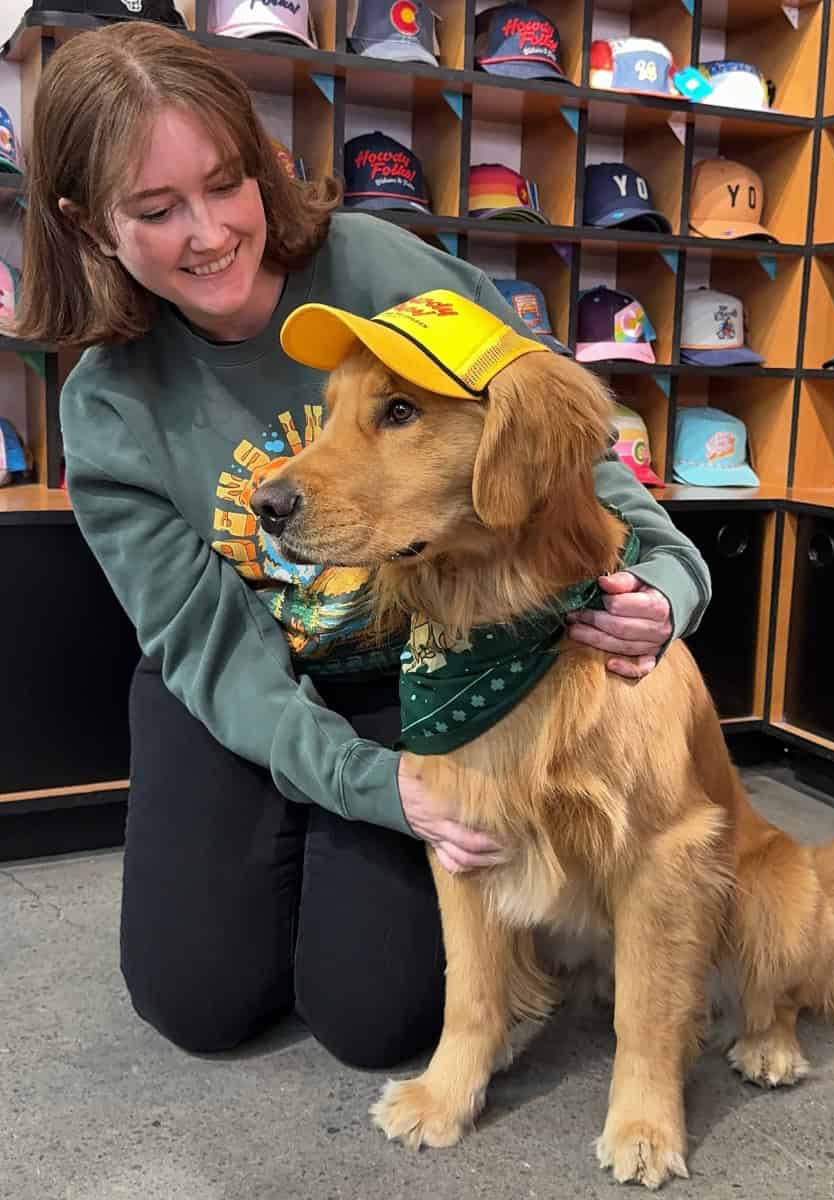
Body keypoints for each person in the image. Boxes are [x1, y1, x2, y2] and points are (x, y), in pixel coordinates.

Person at [13, 21, 711, 1070]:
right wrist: (375, 790)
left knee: (376, 1021)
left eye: (226, 183)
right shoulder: (108, 410)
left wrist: (666, 575)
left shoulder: (376, 265)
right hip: (239, 688)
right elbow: (208, 652)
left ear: (258, 163)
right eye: (157, 211)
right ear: (85, 222)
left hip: (419, 670)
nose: (208, 233)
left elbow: (562, 443)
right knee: (199, 1003)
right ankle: (284, 833)